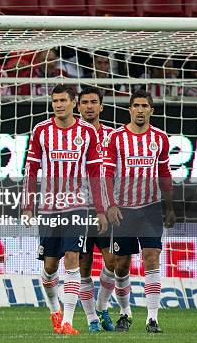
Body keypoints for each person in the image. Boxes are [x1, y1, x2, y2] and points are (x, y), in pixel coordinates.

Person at [22, 84, 108, 335]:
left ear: (74, 103)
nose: (58, 104)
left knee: (73, 259)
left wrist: (100, 210)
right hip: (49, 207)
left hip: (78, 206)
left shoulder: (87, 132)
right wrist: (27, 206)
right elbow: (31, 171)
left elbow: (95, 174)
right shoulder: (41, 131)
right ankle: (54, 311)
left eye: (63, 100)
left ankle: (68, 322)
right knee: (50, 266)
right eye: (55, 101)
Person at [103, 90, 176, 333]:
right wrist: (111, 204)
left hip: (151, 208)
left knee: (152, 258)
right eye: (136, 105)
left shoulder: (161, 138)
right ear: (131, 109)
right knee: (120, 265)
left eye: (145, 105)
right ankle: (125, 313)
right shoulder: (116, 138)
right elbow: (108, 174)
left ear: (151, 110)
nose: (140, 109)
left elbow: (165, 174)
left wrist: (169, 206)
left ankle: (152, 318)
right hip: (123, 209)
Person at [76, 87, 116, 333]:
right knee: (83, 264)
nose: (89, 106)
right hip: (79, 207)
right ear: (78, 106)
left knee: (112, 260)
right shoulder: (71, 135)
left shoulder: (113, 136)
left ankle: (102, 306)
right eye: (84, 102)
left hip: (107, 208)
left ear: (101, 107)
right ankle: (92, 319)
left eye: (94, 102)